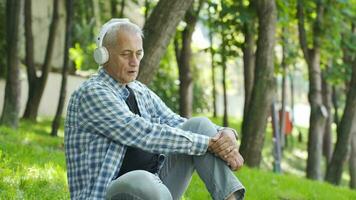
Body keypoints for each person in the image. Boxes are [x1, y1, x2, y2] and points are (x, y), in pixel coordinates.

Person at [65, 18, 245, 200]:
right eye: (126, 54)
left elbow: (177, 122)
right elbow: (142, 133)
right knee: (144, 179)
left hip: (157, 188)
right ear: (103, 55)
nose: (134, 62)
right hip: (108, 194)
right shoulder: (93, 93)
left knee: (198, 125)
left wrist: (225, 134)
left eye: (138, 54)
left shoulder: (139, 90)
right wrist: (208, 144)